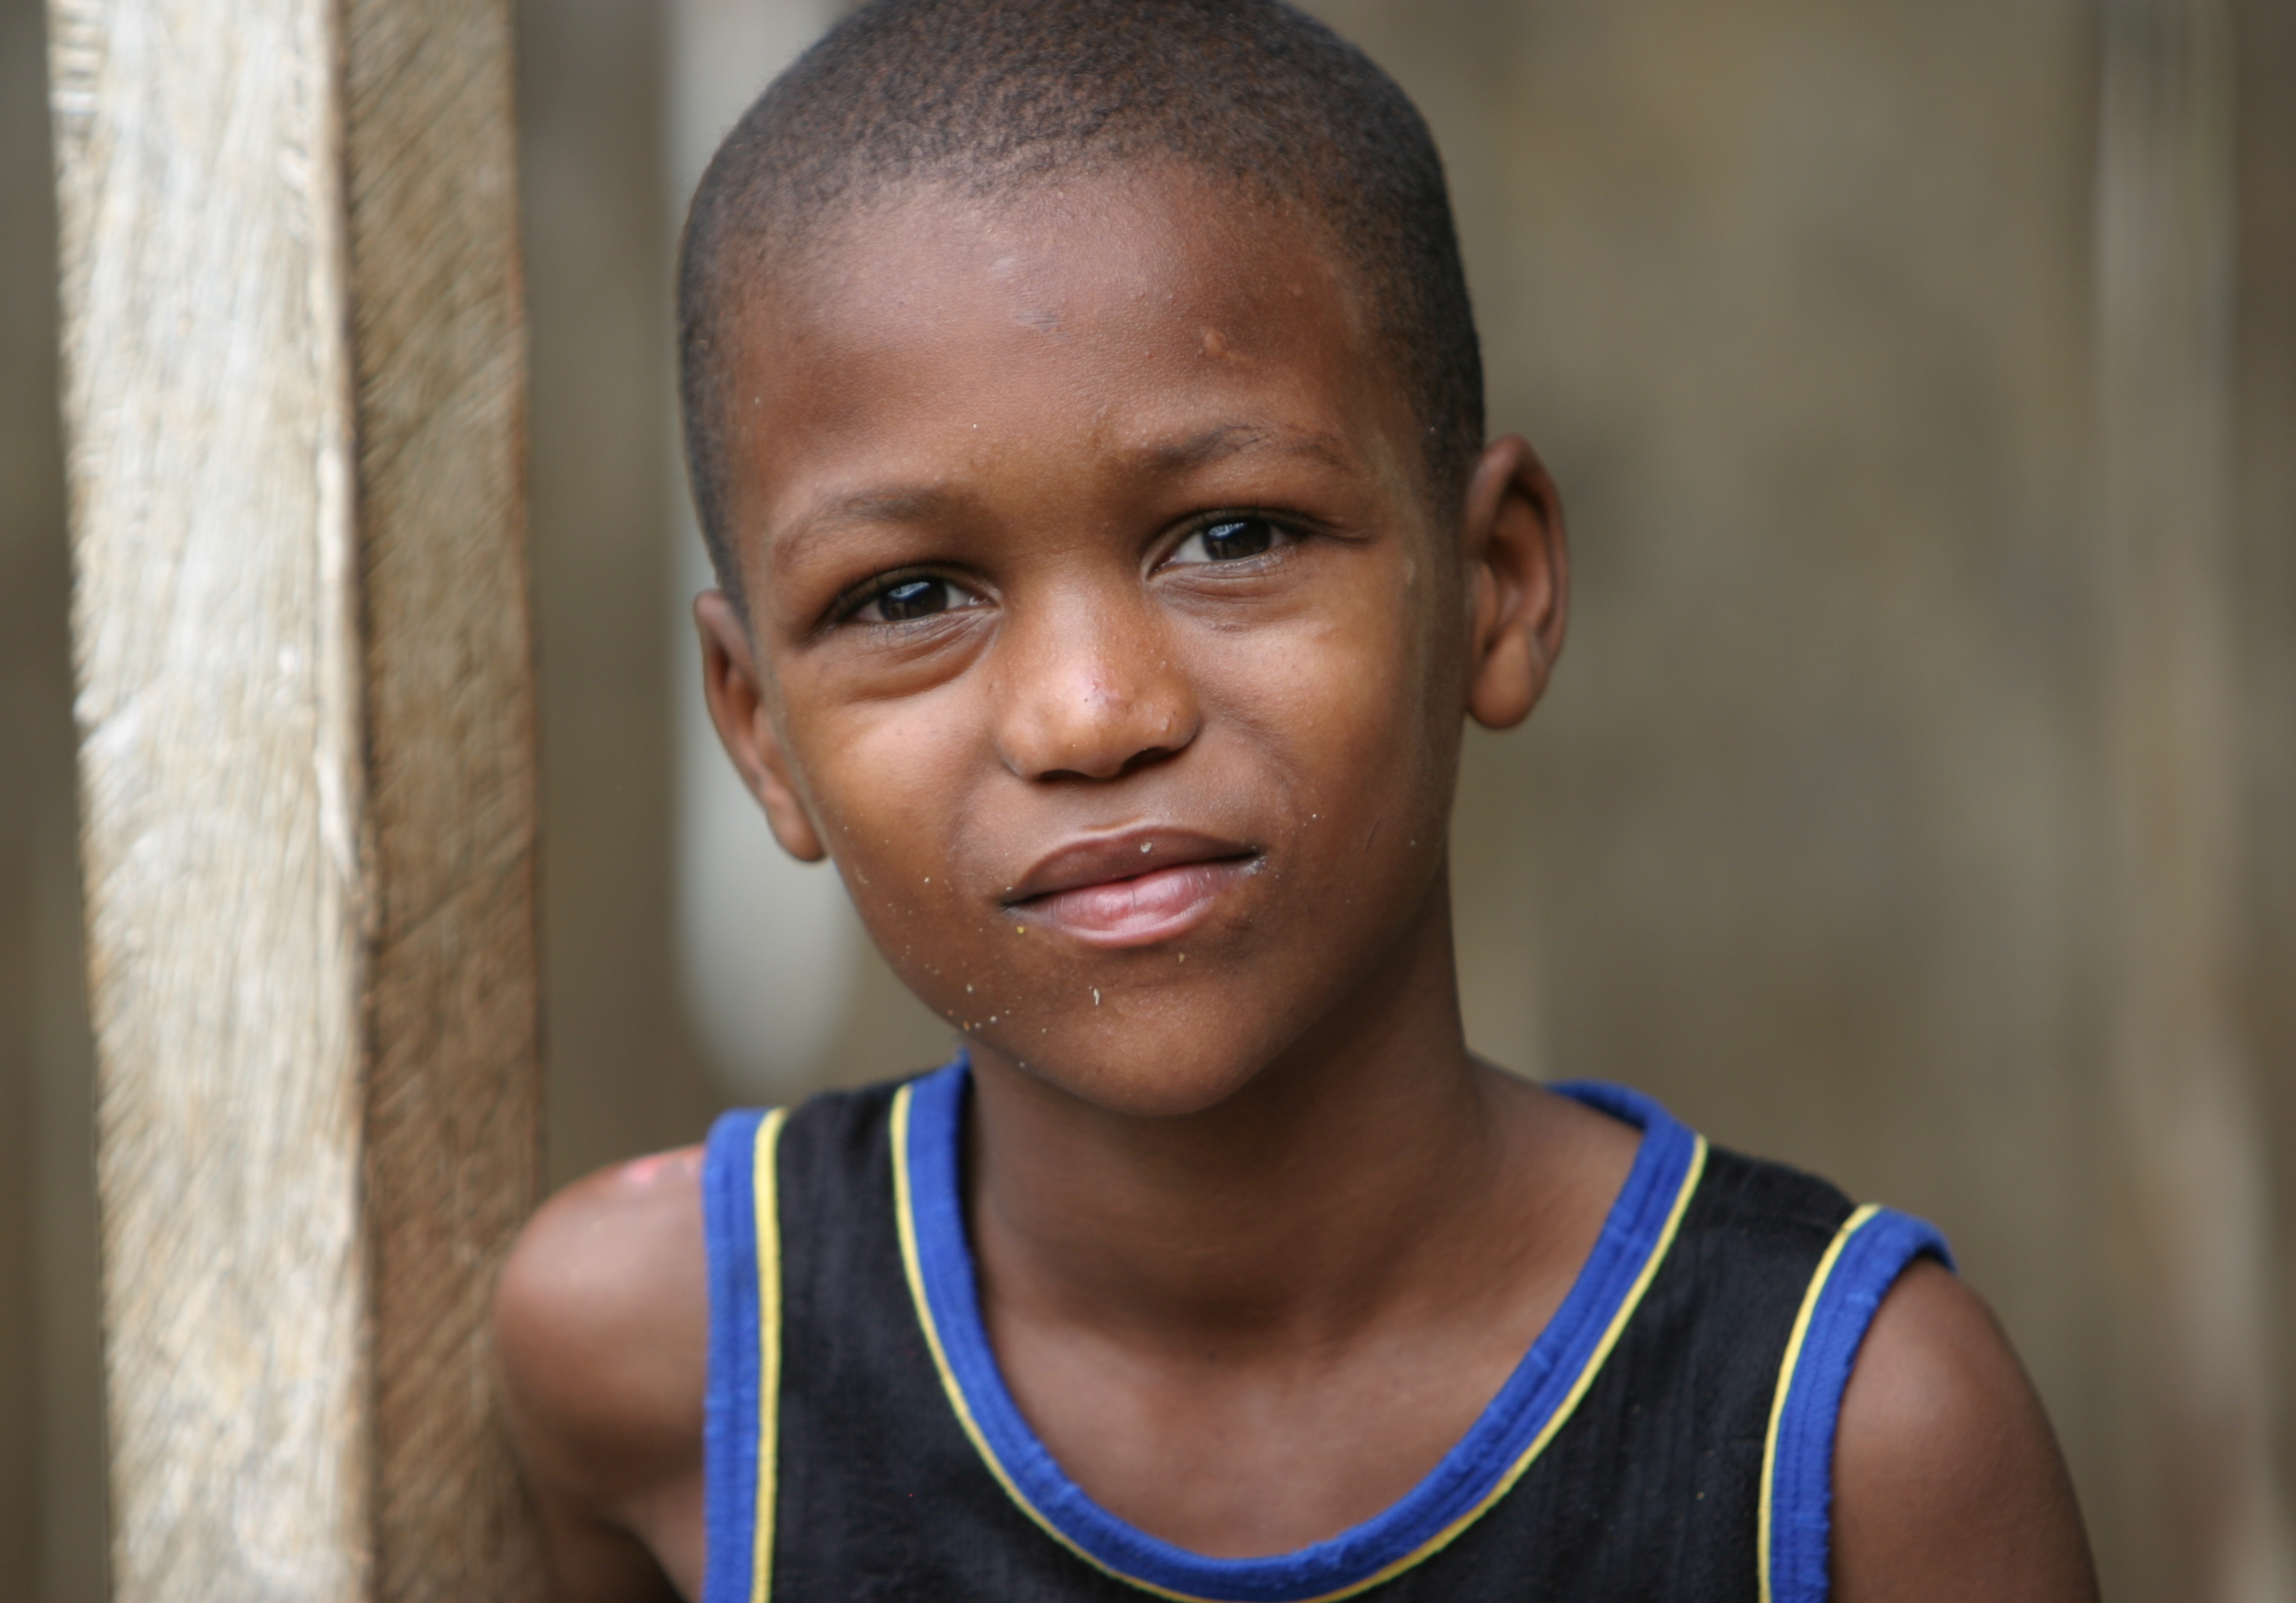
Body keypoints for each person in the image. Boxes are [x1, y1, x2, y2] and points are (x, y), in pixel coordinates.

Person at [494, 2, 2100, 1598]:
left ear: (1496, 582)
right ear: (759, 726)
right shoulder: (668, 1362)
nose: (1089, 711)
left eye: (1235, 536)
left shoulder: (1848, 1437)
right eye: (910, 594)